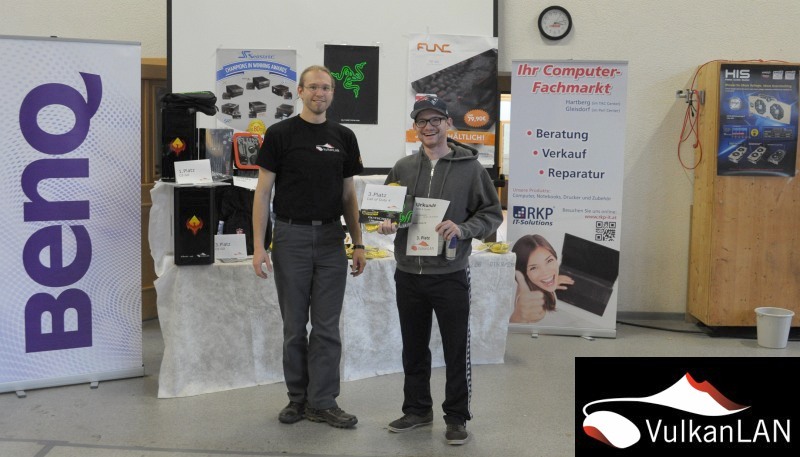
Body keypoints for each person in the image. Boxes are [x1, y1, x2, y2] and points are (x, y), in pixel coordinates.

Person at [377, 95, 503, 445]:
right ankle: (417, 410)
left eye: (436, 120)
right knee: (413, 348)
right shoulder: (402, 167)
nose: (429, 127)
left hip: (450, 274)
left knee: (455, 349)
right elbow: (388, 212)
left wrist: (463, 228)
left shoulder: (471, 169)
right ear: (415, 127)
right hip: (408, 273)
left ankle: (457, 416)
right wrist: (386, 223)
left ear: (449, 123)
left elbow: (491, 214)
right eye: (422, 121)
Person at [251, 65, 367, 429]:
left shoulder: (344, 137)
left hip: (332, 240)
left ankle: (322, 402)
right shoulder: (279, 134)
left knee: (327, 328)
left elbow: (348, 196)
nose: (320, 93)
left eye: (326, 88)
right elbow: (262, 193)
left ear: (333, 93)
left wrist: (359, 242)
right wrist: (259, 245)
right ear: (299, 91)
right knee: (293, 327)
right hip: (291, 238)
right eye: (314, 87)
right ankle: (297, 399)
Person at [510, 234, 574, 323]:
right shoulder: (533, 304)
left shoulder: (531, 282)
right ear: (524, 273)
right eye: (533, 268)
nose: (546, 272)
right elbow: (522, 314)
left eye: (549, 261)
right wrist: (517, 317)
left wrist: (552, 281)